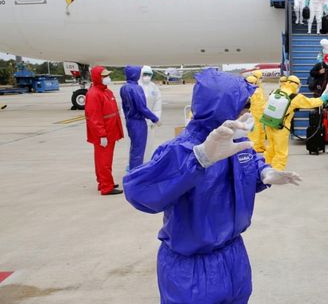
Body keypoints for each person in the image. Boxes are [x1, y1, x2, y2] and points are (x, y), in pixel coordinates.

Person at [123, 69, 302, 303]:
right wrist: (198, 161)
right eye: (243, 106)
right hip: (192, 269)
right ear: (221, 109)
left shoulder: (234, 143)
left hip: (233, 255)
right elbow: (139, 190)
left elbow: (249, 164)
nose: (247, 112)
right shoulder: (181, 150)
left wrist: (265, 173)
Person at [263, 75, 328, 170]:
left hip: (269, 123)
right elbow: (310, 103)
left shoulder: (276, 91)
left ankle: (264, 168)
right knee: (281, 151)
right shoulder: (294, 97)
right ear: (295, 85)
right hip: (281, 127)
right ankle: (276, 172)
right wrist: (323, 99)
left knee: (270, 148)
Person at [84, 66, 124, 195]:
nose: (107, 78)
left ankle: (105, 181)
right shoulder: (93, 94)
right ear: (97, 78)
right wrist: (101, 135)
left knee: (105, 160)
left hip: (110, 132)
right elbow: (94, 117)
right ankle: (106, 187)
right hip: (104, 133)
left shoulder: (106, 92)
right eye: (104, 76)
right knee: (104, 161)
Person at [120, 66, 160, 171]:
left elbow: (124, 107)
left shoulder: (124, 87)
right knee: (139, 150)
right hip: (138, 122)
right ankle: (136, 174)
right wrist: (155, 118)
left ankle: (133, 170)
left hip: (130, 121)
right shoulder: (136, 88)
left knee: (134, 148)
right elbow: (142, 108)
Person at [138, 65, 163, 162]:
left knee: (149, 144)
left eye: (149, 74)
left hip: (150, 122)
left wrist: (156, 119)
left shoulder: (154, 87)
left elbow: (158, 104)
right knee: (137, 145)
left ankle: (147, 162)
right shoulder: (135, 86)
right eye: (145, 74)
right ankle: (135, 164)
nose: (147, 77)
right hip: (138, 121)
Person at [245, 72, 267, 153]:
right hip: (254, 114)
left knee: (261, 131)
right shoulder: (253, 90)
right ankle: (254, 147)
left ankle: (260, 146)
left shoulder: (258, 88)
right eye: (260, 78)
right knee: (254, 132)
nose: (261, 80)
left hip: (260, 114)